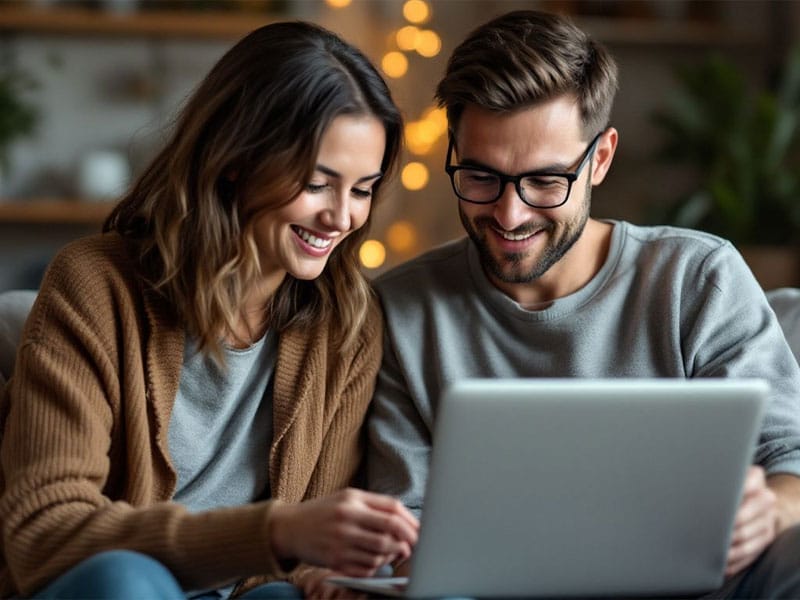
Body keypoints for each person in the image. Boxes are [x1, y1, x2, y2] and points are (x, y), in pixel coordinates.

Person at [366, 9, 800, 598]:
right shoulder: (399, 308)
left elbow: (791, 453)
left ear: (600, 157)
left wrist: (769, 510)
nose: (510, 215)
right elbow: (405, 525)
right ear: (453, 150)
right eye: (481, 176)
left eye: (545, 181)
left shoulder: (698, 277)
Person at [0, 20, 419, 600]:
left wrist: (328, 571)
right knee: (127, 581)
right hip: (120, 588)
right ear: (235, 162)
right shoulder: (95, 284)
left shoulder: (347, 322)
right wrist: (274, 531)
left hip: (252, 593)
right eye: (318, 183)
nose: (342, 218)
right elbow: (42, 531)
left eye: (363, 188)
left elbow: (305, 558)